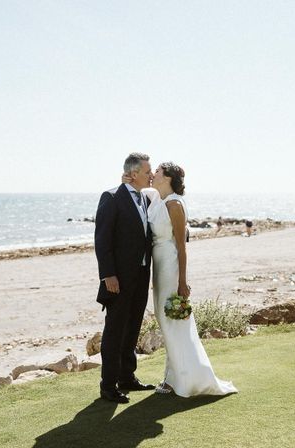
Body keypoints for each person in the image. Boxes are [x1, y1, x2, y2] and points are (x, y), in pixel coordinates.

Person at [127, 162, 237, 397]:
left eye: (156, 172)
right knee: (165, 319)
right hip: (158, 264)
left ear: (166, 178)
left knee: (172, 320)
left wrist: (182, 282)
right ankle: (173, 377)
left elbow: (181, 246)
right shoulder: (157, 198)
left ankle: (184, 378)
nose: (153, 175)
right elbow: (138, 191)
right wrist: (128, 179)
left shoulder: (175, 204)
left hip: (170, 265)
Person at [94, 152, 156, 404]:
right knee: (114, 331)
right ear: (132, 174)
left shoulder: (145, 198)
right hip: (117, 278)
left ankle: (127, 377)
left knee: (132, 328)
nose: (151, 175)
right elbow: (102, 239)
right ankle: (108, 386)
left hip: (141, 274)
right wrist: (108, 274)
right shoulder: (111, 198)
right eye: (147, 172)